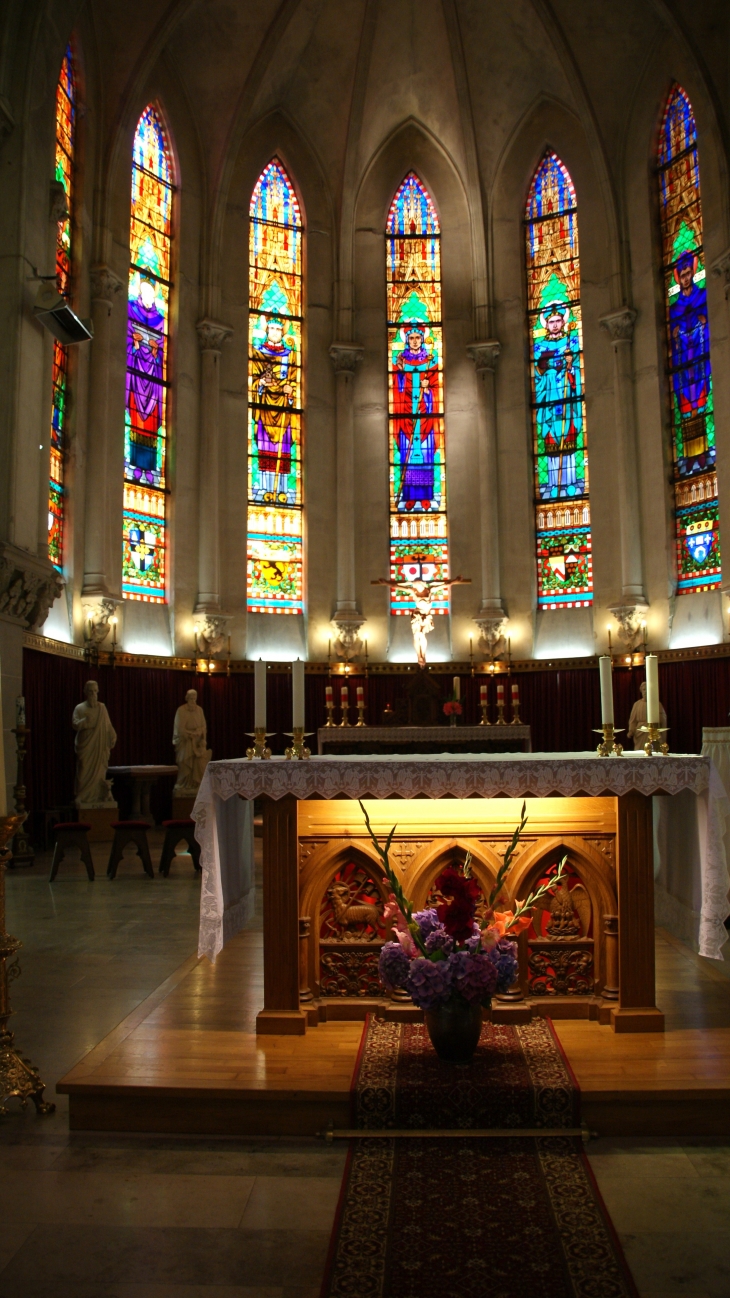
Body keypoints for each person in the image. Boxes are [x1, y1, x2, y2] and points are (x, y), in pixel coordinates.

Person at [392, 325, 439, 511]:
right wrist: (402, 373)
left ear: (422, 339)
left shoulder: (430, 363)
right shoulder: (401, 361)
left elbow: (436, 390)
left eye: (417, 337)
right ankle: (409, 496)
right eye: (411, 338)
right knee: (408, 455)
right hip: (407, 417)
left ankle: (426, 496)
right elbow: (397, 388)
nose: (414, 341)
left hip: (425, 418)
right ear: (406, 340)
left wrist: (427, 389)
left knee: (425, 455)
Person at [250, 317, 295, 502]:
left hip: (283, 410)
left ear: (283, 332)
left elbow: (292, 379)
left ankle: (282, 490)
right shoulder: (258, 353)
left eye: (278, 329)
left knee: (283, 450)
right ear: (267, 330)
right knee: (264, 447)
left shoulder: (289, 355)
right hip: (265, 408)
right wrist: (260, 383)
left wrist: (290, 390)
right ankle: (263, 488)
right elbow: (254, 379)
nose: (275, 332)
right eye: (272, 328)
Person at [72, 681, 117, 806]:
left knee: (99, 772)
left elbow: (108, 726)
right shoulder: (79, 708)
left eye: (95, 691)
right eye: (90, 691)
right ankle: (81, 795)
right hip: (86, 745)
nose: (93, 694)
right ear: (85, 692)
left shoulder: (102, 708)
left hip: (100, 745)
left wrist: (113, 735)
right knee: (83, 769)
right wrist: (85, 721)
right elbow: (75, 724)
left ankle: (99, 796)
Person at [173, 690, 211, 795]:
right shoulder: (181, 710)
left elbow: (203, 726)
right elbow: (179, 728)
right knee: (184, 763)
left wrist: (199, 732)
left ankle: (196, 783)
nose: (193, 701)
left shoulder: (199, 710)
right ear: (187, 698)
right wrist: (189, 734)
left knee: (198, 766)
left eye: (194, 698)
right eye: (191, 698)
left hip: (197, 743)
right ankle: (183, 783)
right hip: (185, 743)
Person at [627, 681, 668, 750]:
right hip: (640, 732)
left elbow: (663, 719)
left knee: (654, 750)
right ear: (641, 691)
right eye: (644, 689)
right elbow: (632, 720)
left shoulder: (657, 704)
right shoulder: (637, 704)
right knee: (640, 751)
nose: (645, 692)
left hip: (653, 731)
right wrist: (631, 731)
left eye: (647, 689)